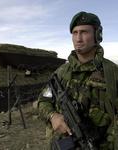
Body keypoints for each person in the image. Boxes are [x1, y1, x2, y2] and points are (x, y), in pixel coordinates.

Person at [37, 11, 118, 150]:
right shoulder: (61, 72)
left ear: (97, 36)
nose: (78, 38)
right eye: (75, 33)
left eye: (84, 32)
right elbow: (43, 101)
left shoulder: (113, 73)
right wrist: (53, 116)